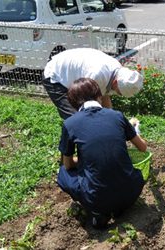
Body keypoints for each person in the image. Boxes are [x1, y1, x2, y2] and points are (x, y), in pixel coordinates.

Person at [56, 77, 147, 228]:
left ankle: (98, 213)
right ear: (99, 96)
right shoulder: (116, 115)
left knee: (63, 173)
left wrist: (85, 160)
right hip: (132, 190)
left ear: (73, 103)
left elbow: (68, 165)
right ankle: (120, 208)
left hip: (97, 199)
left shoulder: (70, 124)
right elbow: (143, 147)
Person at [42, 48, 143, 120]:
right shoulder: (96, 76)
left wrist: (111, 120)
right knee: (75, 117)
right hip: (55, 75)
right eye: (120, 92)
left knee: (88, 119)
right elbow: (87, 106)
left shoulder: (116, 71)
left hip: (70, 72)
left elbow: (104, 96)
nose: (118, 94)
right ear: (116, 82)